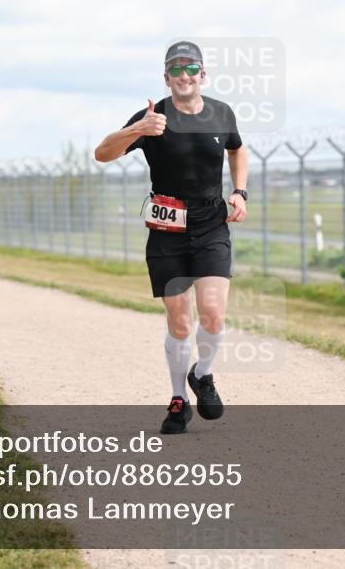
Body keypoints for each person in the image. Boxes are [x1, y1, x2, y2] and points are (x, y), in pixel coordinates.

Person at [94, 41, 249, 435]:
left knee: (213, 314)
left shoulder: (221, 112)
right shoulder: (152, 117)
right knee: (180, 322)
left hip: (211, 226)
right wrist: (137, 129)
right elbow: (102, 154)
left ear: (203, 74)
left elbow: (238, 149)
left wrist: (240, 191)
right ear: (166, 77)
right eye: (176, 70)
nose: (184, 76)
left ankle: (204, 374)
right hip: (167, 232)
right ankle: (178, 400)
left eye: (191, 68)